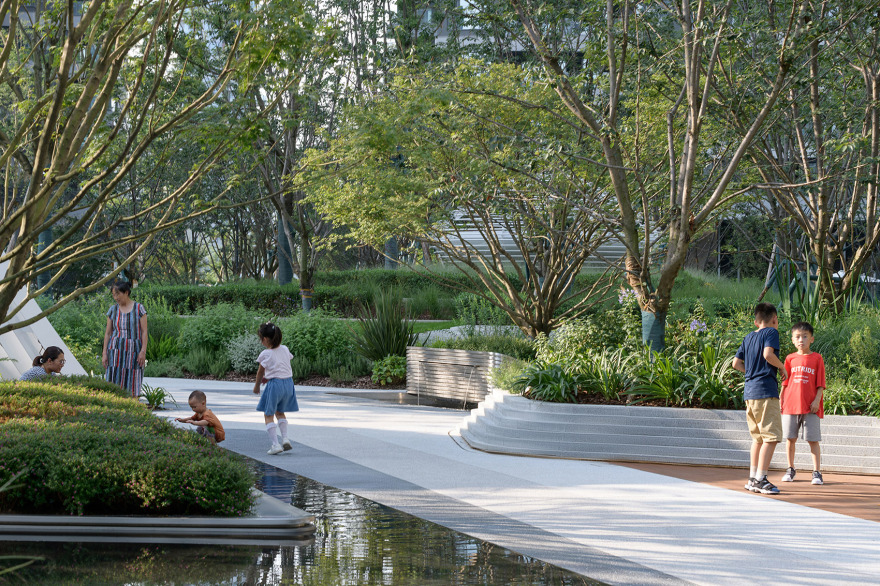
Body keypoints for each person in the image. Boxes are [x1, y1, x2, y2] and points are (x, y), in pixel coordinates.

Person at [732, 302, 788, 495]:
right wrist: (781, 367)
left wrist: (751, 373)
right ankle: (761, 479)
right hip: (766, 390)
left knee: (757, 438)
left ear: (756, 321)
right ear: (774, 319)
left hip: (750, 393)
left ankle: (752, 478)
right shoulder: (771, 333)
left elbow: (735, 363)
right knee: (771, 437)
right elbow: (768, 354)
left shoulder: (748, 337)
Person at [780, 322, 826, 486]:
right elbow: (785, 383)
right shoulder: (789, 358)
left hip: (810, 407)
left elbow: (820, 383)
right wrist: (781, 399)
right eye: (798, 337)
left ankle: (817, 472)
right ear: (793, 339)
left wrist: (816, 400)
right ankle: (790, 468)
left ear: (811, 339)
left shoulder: (817, 358)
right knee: (790, 439)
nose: (801, 340)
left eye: (805, 336)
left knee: (813, 440)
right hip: (791, 405)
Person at [253, 322, 298, 455]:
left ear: (266, 339)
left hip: (275, 385)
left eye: (261, 339)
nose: (261, 342)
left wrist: (256, 386)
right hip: (288, 384)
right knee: (280, 412)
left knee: (268, 414)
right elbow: (281, 365)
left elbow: (260, 372)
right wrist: (270, 375)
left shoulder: (266, 354)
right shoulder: (285, 349)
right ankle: (285, 438)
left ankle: (275, 444)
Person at [102, 281, 148, 398]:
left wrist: (143, 351)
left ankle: (133, 407)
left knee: (134, 377)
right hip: (115, 350)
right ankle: (114, 406)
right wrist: (104, 353)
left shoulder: (139, 308)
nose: (115, 297)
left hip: (134, 350)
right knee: (113, 377)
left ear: (126, 292)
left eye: (117, 294)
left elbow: (144, 332)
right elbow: (108, 333)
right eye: (113, 295)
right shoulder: (113, 310)